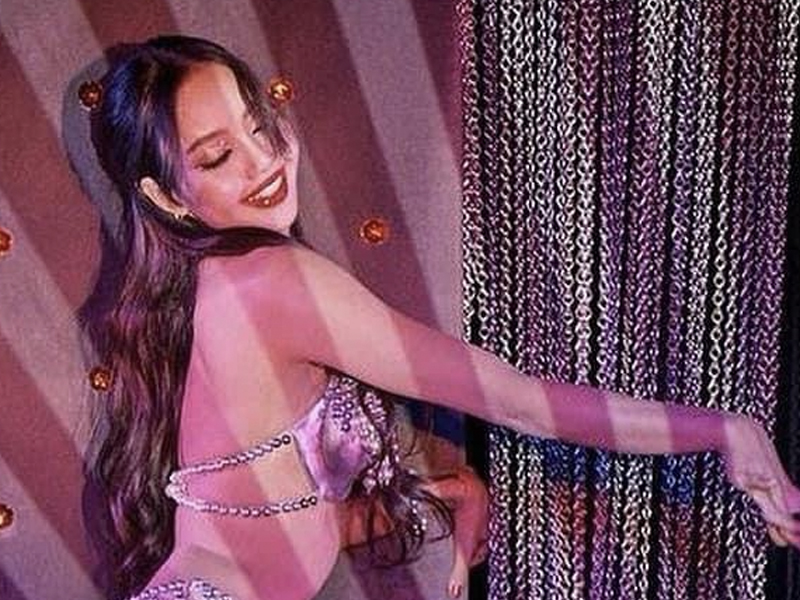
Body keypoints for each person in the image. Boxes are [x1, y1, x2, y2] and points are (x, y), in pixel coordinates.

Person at [80, 35, 799, 600]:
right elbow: (518, 402)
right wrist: (722, 430)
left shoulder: (216, 285)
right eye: (217, 156)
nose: (262, 160)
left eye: (255, 124)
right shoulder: (271, 283)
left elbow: (277, 511)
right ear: (166, 198)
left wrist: (449, 494)